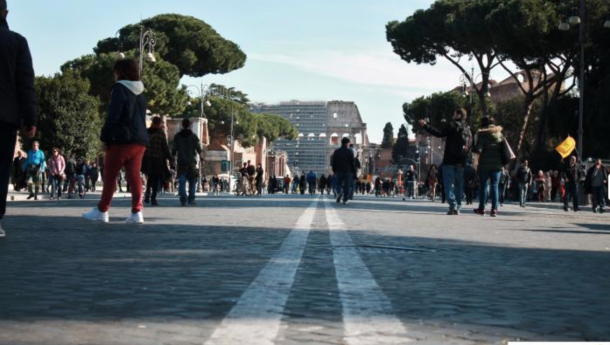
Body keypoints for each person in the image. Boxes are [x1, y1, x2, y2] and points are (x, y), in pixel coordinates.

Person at [83, 58, 149, 224]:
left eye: (115, 71)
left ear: (120, 71)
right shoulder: (141, 92)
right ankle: (136, 212)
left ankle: (102, 210)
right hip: (139, 140)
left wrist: (105, 136)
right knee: (134, 176)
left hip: (121, 139)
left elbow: (113, 115)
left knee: (110, 175)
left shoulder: (119, 88)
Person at [0, 0, 37, 236]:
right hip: (5, 116)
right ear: (5, 12)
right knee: (1, 169)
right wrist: (30, 118)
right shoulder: (17, 42)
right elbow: (25, 84)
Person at [419, 108, 472, 215]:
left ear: (458, 115)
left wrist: (425, 125)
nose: (453, 115)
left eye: (454, 113)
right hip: (461, 162)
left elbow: (439, 133)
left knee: (448, 185)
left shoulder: (453, 125)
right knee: (458, 185)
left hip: (449, 160)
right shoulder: (468, 129)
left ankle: (453, 205)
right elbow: (471, 146)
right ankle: (458, 206)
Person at [472, 117, 504, 217]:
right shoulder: (500, 134)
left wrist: (475, 147)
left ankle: (482, 208)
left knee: (484, 187)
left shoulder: (482, 134)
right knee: (495, 186)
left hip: (484, 165)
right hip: (497, 165)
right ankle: (494, 209)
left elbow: (479, 150)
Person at [141, 117, 172, 206]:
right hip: (157, 159)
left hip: (147, 158)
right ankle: (153, 198)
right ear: (159, 123)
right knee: (155, 178)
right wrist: (170, 158)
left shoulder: (146, 132)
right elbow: (165, 147)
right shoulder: (160, 133)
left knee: (150, 177)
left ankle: (147, 193)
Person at [172, 118, 203, 205]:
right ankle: (191, 199)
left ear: (182, 125)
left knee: (182, 181)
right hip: (191, 162)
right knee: (192, 182)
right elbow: (198, 148)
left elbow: (174, 149)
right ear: (189, 125)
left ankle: (183, 198)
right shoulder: (193, 136)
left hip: (181, 162)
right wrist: (201, 157)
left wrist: (172, 158)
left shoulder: (177, 136)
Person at [331, 137, 356, 205]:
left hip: (339, 170)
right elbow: (352, 162)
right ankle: (345, 199)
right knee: (347, 185)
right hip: (348, 171)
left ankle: (339, 193)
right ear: (347, 143)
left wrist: (334, 170)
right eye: (348, 143)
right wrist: (354, 171)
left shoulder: (336, 151)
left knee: (338, 183)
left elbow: (333, 162)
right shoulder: (350, 152)